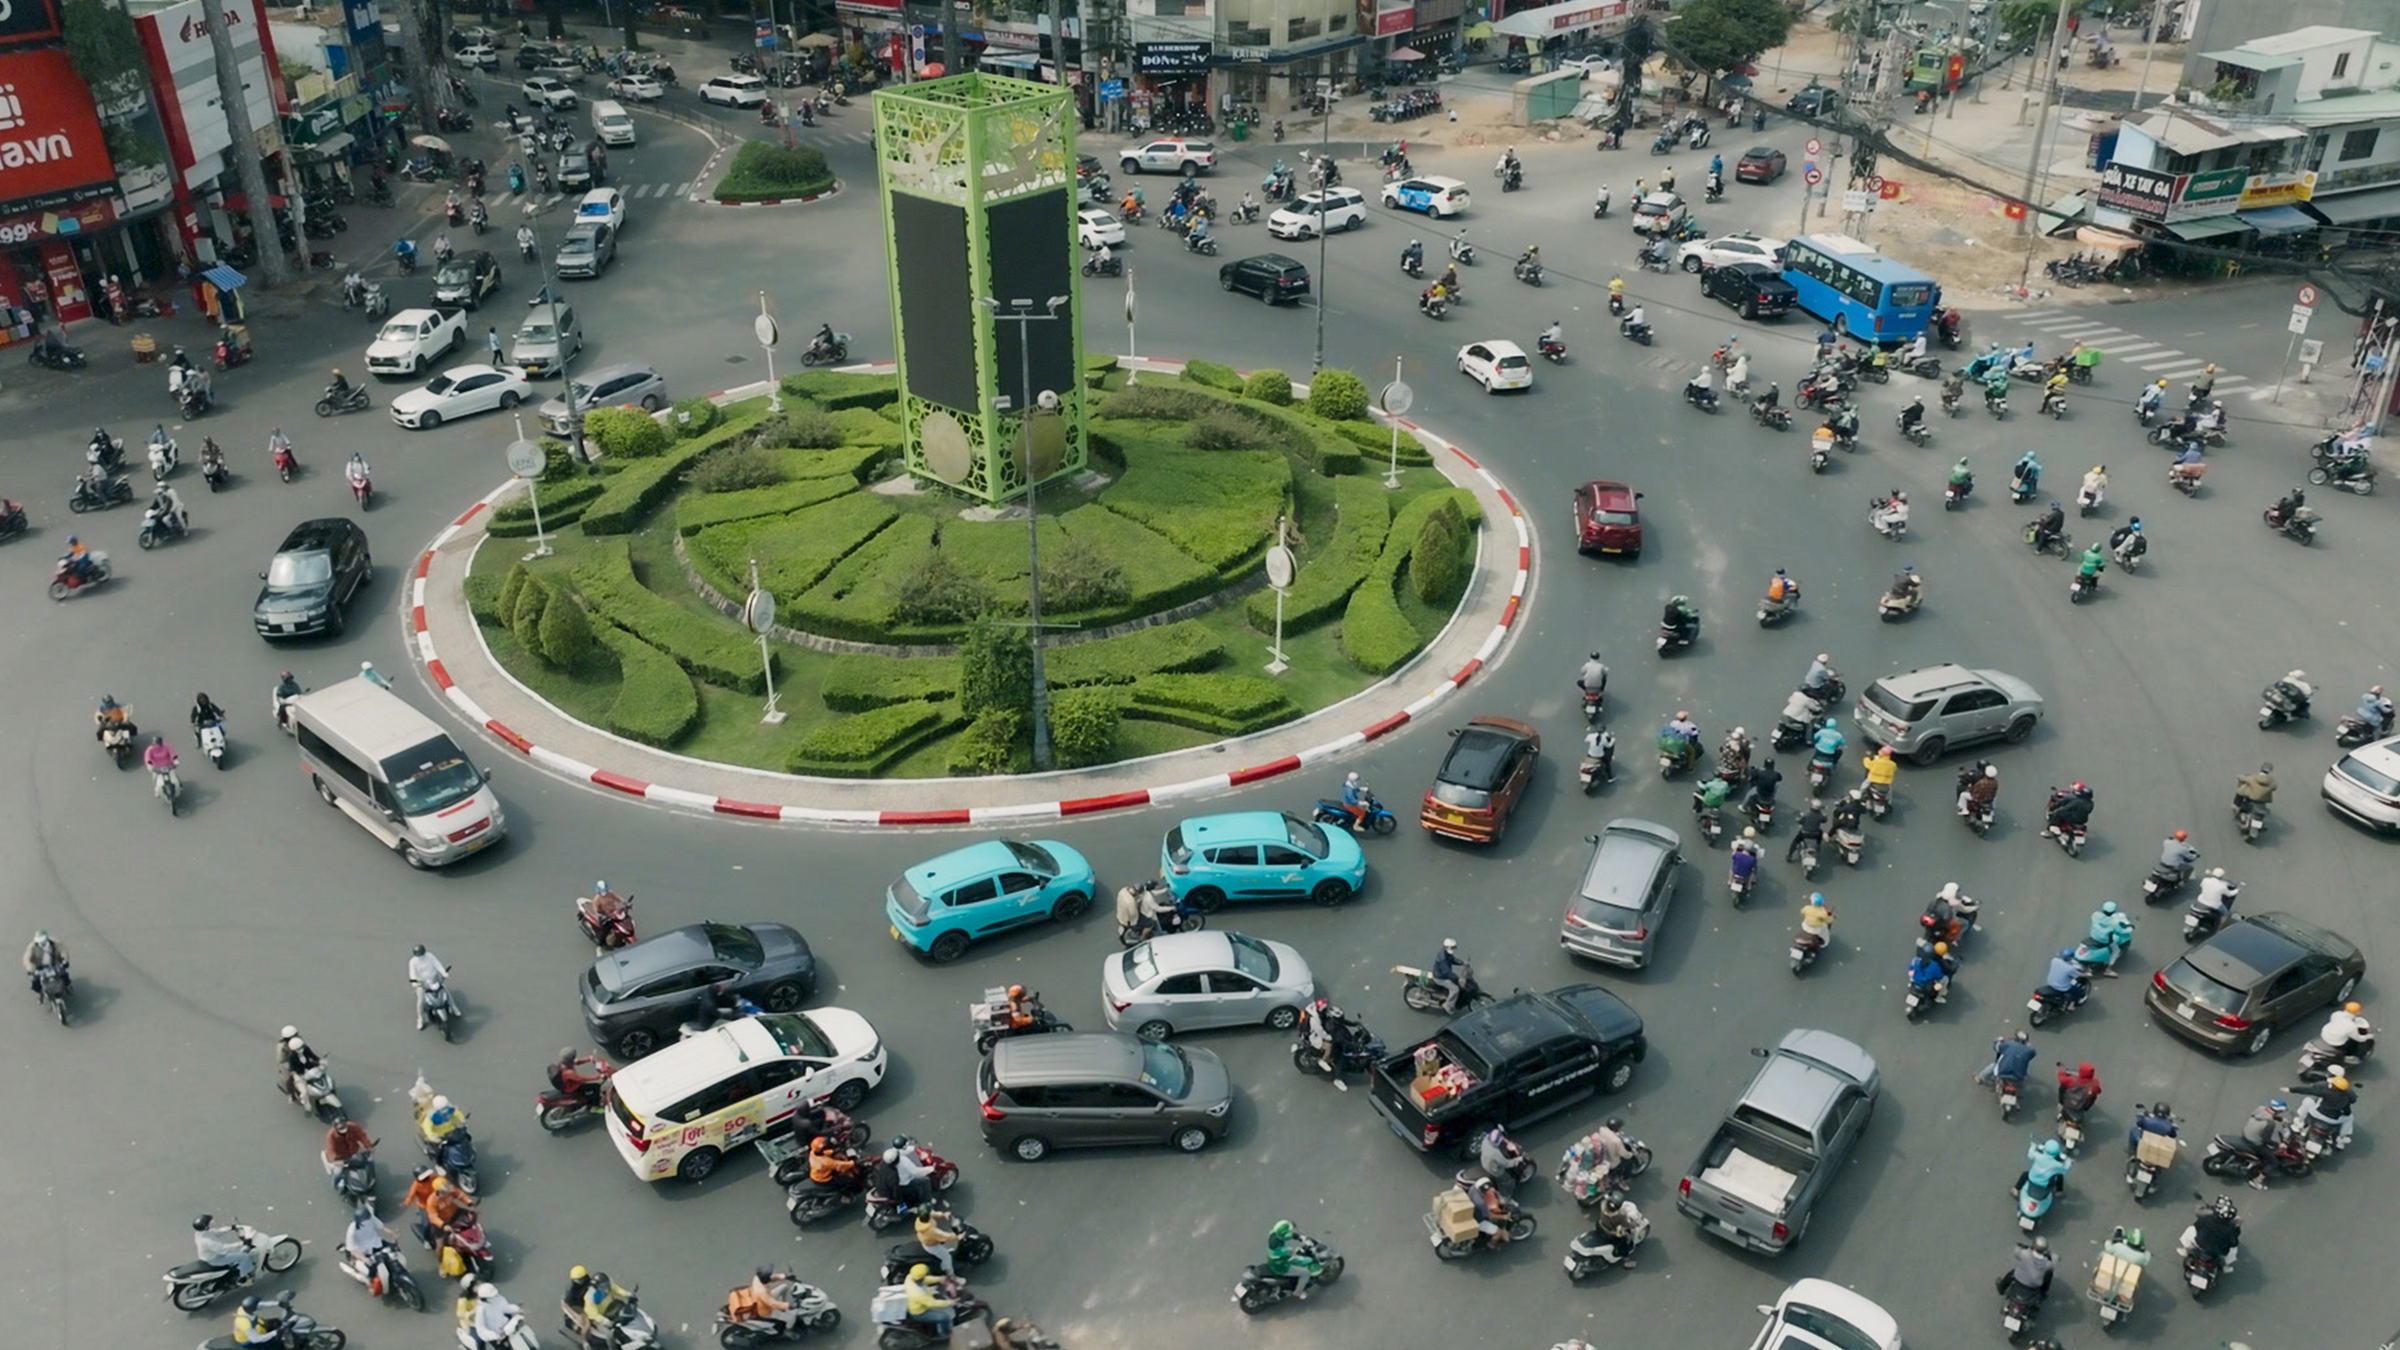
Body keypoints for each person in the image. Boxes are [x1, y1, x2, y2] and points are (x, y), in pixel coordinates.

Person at [194, 1214, 261, 1284]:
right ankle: (244, 1278)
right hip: (216, 1258)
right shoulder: (207, 1241)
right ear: (206, 1225)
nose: (212, 1221)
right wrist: (242, 1244)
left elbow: (217, 1232)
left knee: (238, 1253)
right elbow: (224, 1249)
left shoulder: (201, 1233)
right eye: (209, 1221)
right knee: (244, 1257)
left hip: (211, 1255)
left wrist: (232, 1228)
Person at [1264, 1220, 1322, 1297]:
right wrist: (1296, 1251)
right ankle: (1298, 1292)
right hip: (1281, 1267)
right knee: (1305, 1273)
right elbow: (1291, 1254)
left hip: (1274, 1262)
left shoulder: (1273, 1235)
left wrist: (1297, 1236)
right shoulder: (1280, 1251)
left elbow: (1285, 1236)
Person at [2295, 1074, 2356, 1146]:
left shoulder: (2326, 1092)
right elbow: (2347, 1113)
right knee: (2350, 1118)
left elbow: (2308, 1091)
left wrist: (2291, 1089)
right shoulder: (2345, 1099)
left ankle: (2300, 1121)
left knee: (2307, 1100)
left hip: (2316, 1114)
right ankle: (2341, 1138)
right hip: (2332, 1121)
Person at [2181, 1196, 2241, 1268]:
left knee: (2190, 1229)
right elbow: (2234, 1243)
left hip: (2199, 1243)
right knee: (2234, 1250)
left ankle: (2186, 1248)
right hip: (2216, 1252)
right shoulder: (2231, 1230)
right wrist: (2237, 1228)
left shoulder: (2207, 1219)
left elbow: (2196, 1226)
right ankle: (2225, 1264)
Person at [1998, 1236, 2055, 1301]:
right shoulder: (2047, 1264)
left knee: (2011, 1273)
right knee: (2048, 1275)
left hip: (2018, 1278)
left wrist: (2019, 1246)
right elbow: (2053, 1266)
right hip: (2034, 1286)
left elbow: (2016, 1253)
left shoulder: (2025, 1253)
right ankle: (2043, 1292)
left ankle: (2001, 1289)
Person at [470, 1282, 526, 1347]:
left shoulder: (497, 1298)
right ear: (484, 1298)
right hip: (497, 1335)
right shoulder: (480, 1310)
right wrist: (495, 1336)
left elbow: (506, 1307)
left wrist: (517, 1309)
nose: (495, 1296)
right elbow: (481, 1330)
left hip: (507, 1327)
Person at [2087, 901, 2134, 973]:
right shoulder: (2113, 922)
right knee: (2116, 951)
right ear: (2114, 911)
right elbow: (2120, 931)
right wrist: (2130, 928)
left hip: (2094, 935)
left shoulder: (2095, 915)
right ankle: (2108, 969)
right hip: (2104, 939)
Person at [22, 928, 67, 996]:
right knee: (35, 982)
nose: (41, 943)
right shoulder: (32, 947)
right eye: (39, 942)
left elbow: (63, 951)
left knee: (64, 975)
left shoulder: (55, 943)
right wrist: (30, 968)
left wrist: (64, 960)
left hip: (54, 964)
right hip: (39, 968)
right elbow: (26, 959)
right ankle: (40, 993)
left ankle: (67, 986)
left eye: (43, 941)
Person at [1430, 938, 1468, 1010]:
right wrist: (1456, 978)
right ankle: (1448, 1005)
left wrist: (1462, 962)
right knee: (1455, 989)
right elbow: (1446, 972)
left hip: (1444, 975)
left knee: (1456, 982)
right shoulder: (1442, 958)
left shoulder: (1447, 953)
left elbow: (1453, 960)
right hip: (1440, 978)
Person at [1787, 798, 1827, 863]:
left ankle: (1790, 855)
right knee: (1821, 832)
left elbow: (1799, 821)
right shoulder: (1820, 816)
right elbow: (1824, 820)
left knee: (1795, 841)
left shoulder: (1806, 814)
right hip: (1815, 834)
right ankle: (1818, 845)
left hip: (1804, 833)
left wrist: (1798, 819)